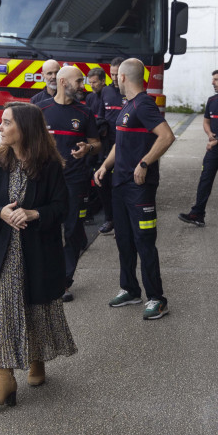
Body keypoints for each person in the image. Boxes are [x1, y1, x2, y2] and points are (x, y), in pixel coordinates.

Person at [0, 102, 77, 407]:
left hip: (38, 254)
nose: (1, 128)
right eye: (1, 122)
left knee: (35, 310)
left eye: (7, 123)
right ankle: (4, 379)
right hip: (2, 253)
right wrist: (0, 213)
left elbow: (61, 208)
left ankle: (37, 359)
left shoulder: (49, 165)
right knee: (3, 312)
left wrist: (33, 214)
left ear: (25, 129)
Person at [94, 58, 176, 320]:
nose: (114, 79)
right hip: (120, 184)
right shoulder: (128, 106)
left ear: (124, 78)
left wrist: (144, 163)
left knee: (144, 242)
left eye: (116, 75)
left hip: (139, 188)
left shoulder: (144, 105)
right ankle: (130, 289)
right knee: (125, 241)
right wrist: (105, 166)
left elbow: (167, 136)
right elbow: (121, 142)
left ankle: (157, 298)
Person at [36, 65, 100, 302]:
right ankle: (44, 276)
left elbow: (96, 143)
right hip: (45, 181)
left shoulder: (84, 112)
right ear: (63, 82)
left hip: (75, 180)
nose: (82, 86)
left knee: (72, 230)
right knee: (46, 228)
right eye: (78, 81)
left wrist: (89, 148)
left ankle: (64, 281)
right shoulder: (40, 109)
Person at [177, 69, 218, 227]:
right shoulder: (212, 100)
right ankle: (197, 214)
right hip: (214, 151)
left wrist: (216, 140)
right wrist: (209, 134)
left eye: (216, 80)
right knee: (205, 180)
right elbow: (206, 121)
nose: (213, 83)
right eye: (213, 79)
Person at [97, 57, 128, 234]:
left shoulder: (129, 92)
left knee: (121, 186)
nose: (114, 78)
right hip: (107, 145)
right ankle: (110, 219)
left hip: (124, 146)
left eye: (117, 74)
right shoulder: (106, 92)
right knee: (103, 182)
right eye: (112, 74)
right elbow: (100, 115)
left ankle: (122, 222)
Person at [86, 66, 115, 234]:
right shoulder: (90, 98)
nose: (92, 86)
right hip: (96, 145)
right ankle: (105, 215)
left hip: (111, 144)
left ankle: (114, 218)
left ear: (103, 81)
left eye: (94, 82)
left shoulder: (109, 94)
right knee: (98, 181)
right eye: (90, 83)